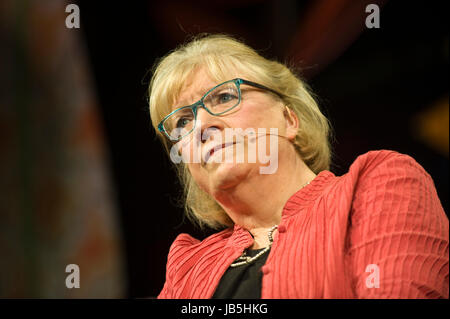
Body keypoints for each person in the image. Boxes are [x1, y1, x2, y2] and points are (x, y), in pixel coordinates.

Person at [147, 34, 449, 298]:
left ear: (290, 119)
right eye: (182, 121)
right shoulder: (186, 267)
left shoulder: (375, 186)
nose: (201, 126)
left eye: (224, 96)